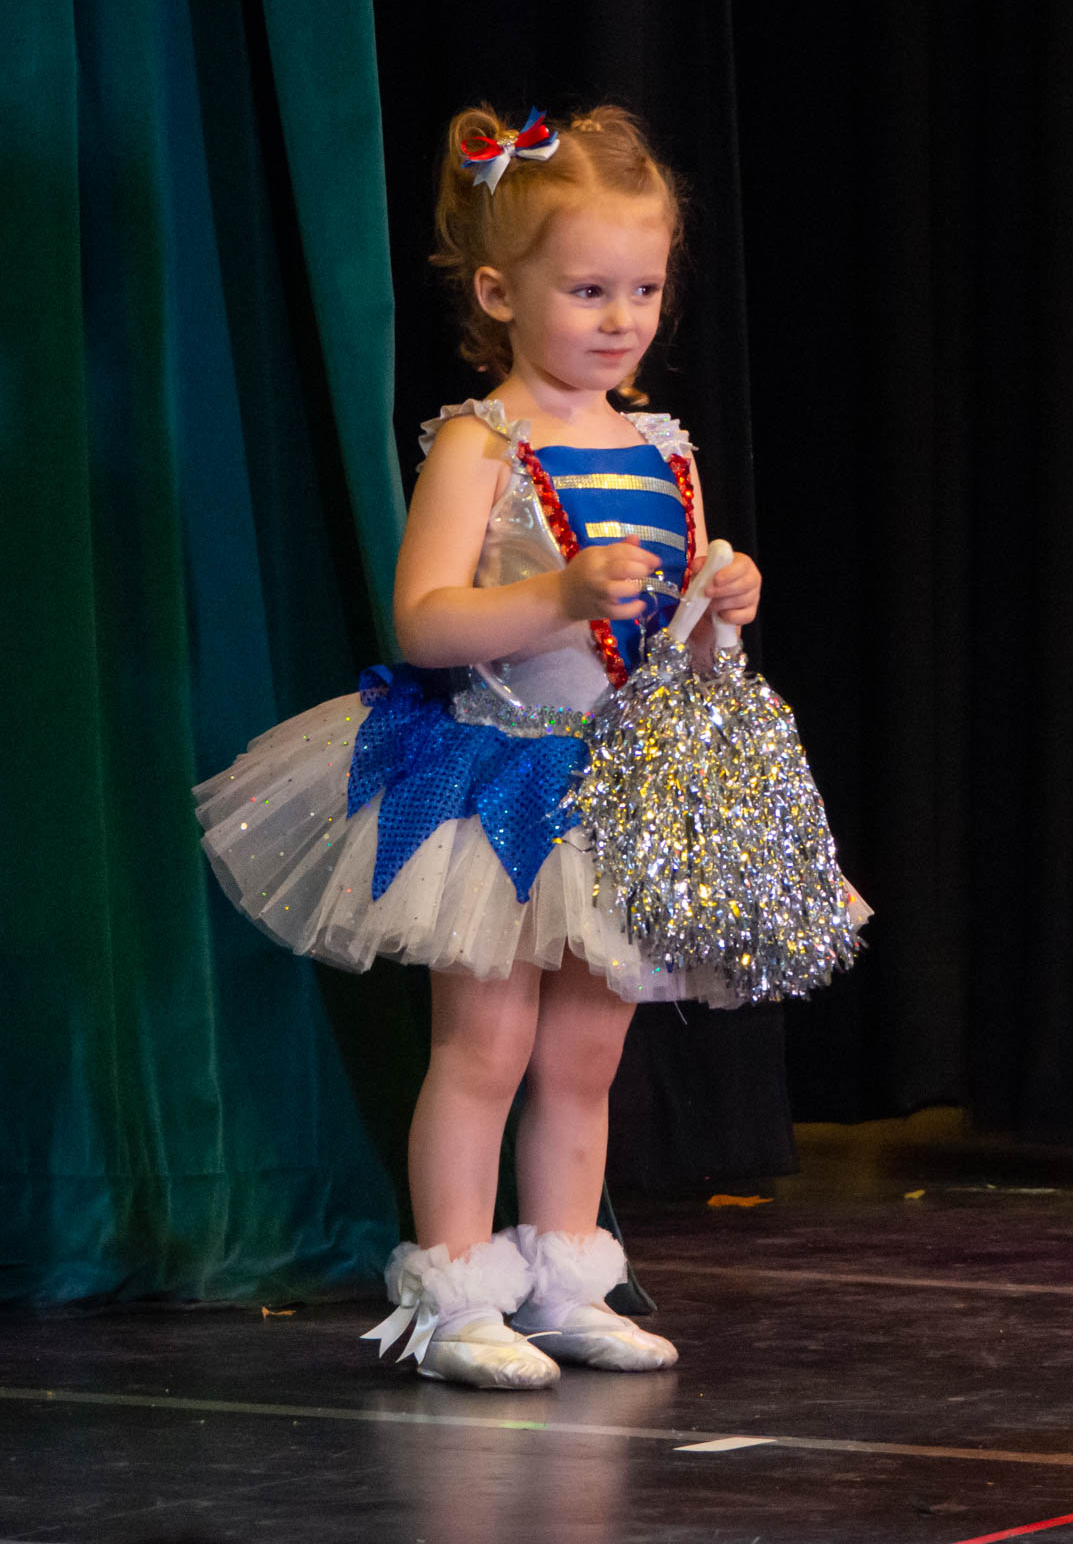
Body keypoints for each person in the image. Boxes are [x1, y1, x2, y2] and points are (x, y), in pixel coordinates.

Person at [194, 103, 762, 1391]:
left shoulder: (661, 447)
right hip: (492, 777)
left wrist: (721, 609)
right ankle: (453, 1294)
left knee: (587, 1054)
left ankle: (565, 1281)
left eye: (643, 289)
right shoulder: (479, 441)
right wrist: (555, 594)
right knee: (486, 1047)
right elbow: (425, 621)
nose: (621, 319)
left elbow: (670, 656)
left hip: (618, 789)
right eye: (587, 290)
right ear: (502, 293)